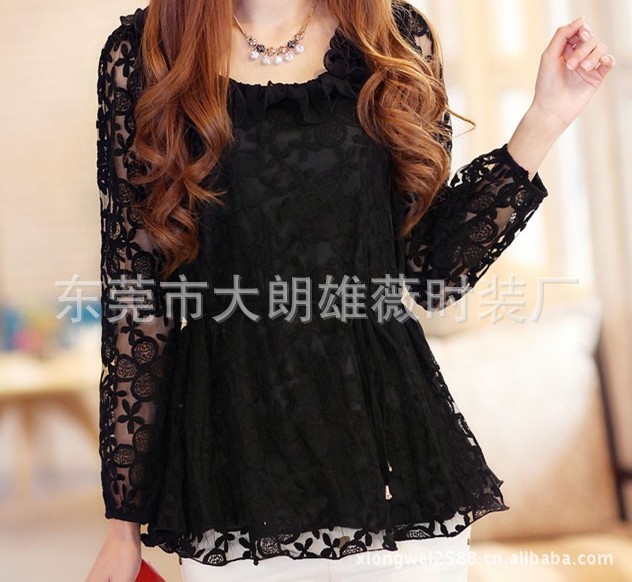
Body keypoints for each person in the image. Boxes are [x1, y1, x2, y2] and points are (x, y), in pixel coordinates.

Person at [86, 1, 615, 581]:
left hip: (395, 473)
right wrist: (121, 530)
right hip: (238, 481)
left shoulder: (393, 35)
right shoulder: (148, 53)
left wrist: (546, 115)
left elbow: (432, 274)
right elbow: (138, 305)